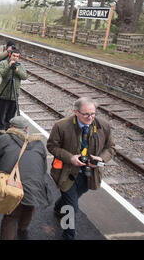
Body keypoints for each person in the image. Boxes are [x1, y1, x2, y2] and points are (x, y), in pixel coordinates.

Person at [47, 97, 116, 240]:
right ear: (76, 112)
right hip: (67, 173)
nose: (90, 117)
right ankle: (68, 235)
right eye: (86, 114)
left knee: (71, 199)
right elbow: (52, 146)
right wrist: (70, 158)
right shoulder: (61, 126)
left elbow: (110, 148)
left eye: (93, 113)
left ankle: (59, 206)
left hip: (90, 173)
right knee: (72, 208)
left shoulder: (104, 125)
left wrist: (101, 159)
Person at [0, 116, 52, 240]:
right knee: (29, 207)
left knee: (11, 217)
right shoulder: (38, 143)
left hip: (12, 186)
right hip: (35, 186)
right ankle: (22, 230)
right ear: (27, 129)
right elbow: (43, 169)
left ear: (11, 127)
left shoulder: (4, 139)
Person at [0, 49, 28, 134]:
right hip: (4, 92)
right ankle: (1, 127)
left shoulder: (20, 65)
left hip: (14, 93)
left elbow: (25, 76)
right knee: (2, 112)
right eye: (14, 56)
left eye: (17, 56)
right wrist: (8, 67)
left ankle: (9, 127)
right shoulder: (3, 63)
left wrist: (17, 71)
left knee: (11, 112)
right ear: (10, 55)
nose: (15, 58)